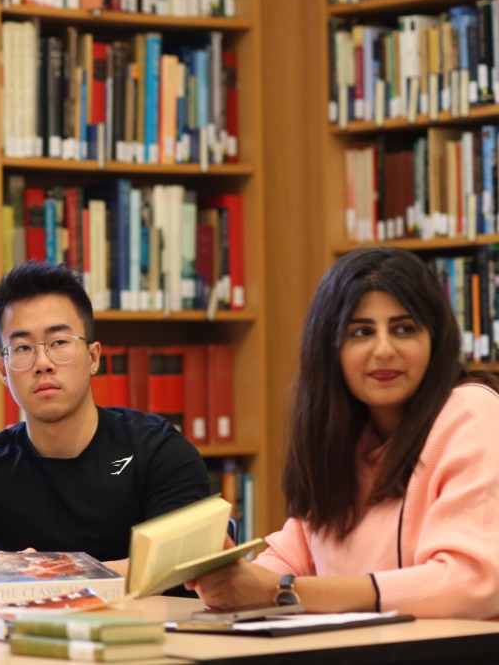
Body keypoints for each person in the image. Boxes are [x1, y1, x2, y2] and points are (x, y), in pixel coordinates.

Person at [191, 246, 499, 619]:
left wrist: (281, 592)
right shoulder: (343, 439)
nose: (384, 350)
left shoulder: (472, 415)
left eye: (404, 329)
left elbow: (470, 585)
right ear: (330, 349)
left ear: (435, 341)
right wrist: (227, 576)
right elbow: (289, 559)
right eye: (361, 332)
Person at [0, 260, 211, 565]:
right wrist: (6, 572)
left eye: (59, 342)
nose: (42, 362)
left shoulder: (159, 450)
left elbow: (177, 562)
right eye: (22, 348)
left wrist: (56, 575)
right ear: (3, 371)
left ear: (93, 357)